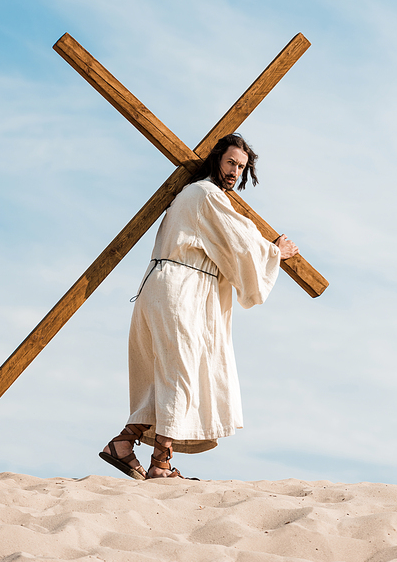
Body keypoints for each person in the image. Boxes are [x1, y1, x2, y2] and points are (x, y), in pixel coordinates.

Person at [100, 133, 298, 480]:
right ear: (217, 160)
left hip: (162, 286)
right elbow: (240, 242)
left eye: (241, 166)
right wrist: (274, 252)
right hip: (180, 291)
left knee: (163, 375)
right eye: (231, 163)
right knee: (182, 373)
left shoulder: (189, 197)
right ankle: (161, 463)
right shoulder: (206, 195)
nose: (235, 171)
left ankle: (124, 443)